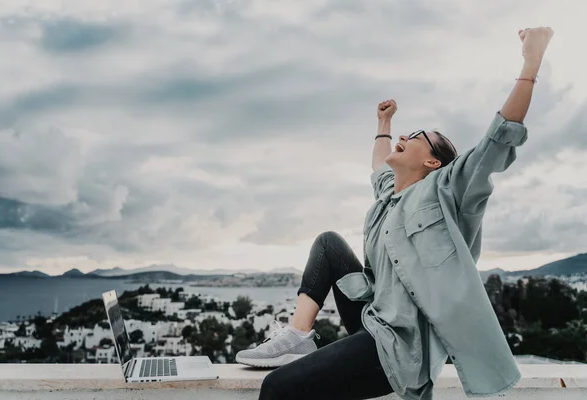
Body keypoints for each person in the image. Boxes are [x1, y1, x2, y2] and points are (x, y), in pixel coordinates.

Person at [236, 27, 555, 400]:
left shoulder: (449, 193)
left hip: (398, 349)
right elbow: (379, 166)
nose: (407, 135)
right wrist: (384, 123)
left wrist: (531, 62)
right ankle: (298, 336)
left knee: (277, 388)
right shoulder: (388, 197)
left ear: (434, 160)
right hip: (370, 320)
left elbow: (497, 140)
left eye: (417, 135)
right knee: (328, 243)